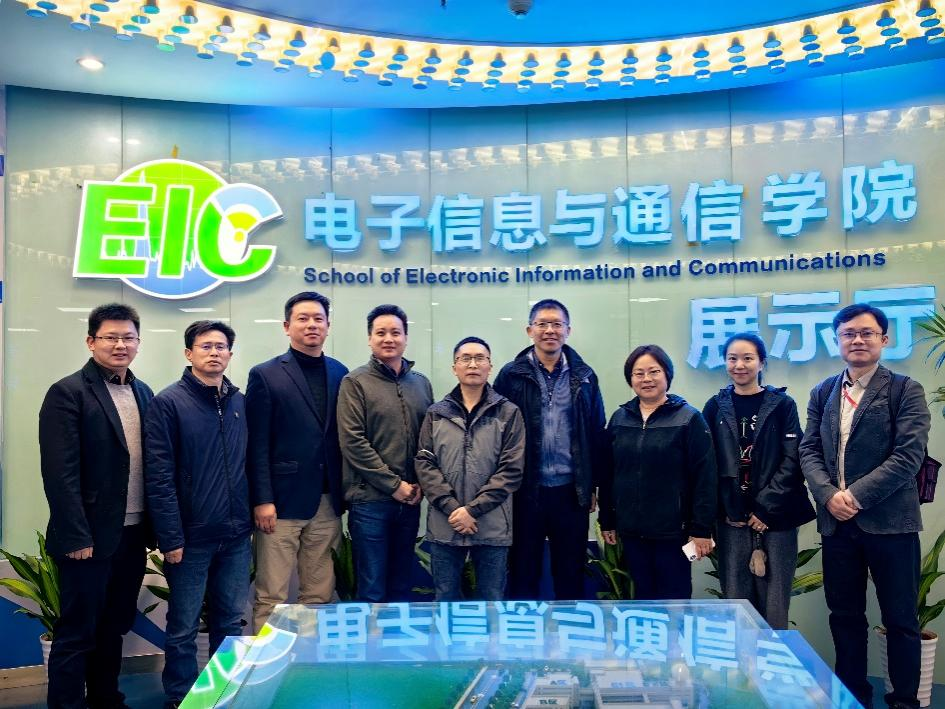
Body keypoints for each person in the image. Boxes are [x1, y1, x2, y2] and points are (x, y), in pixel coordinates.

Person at [800, 304, 929, 709]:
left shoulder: (905, 389)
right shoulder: (823, 391)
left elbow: (908, 457)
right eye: (848, 333)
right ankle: (853, 698)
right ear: (837, 340)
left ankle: (904, 702)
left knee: (901, 621)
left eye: (866, 333)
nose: (857, 340)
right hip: (837, 527)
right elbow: (808, 450)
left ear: (884, 339)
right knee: (845, 618)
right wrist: (827, 495)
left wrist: (853, 497)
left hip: (891, 525)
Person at [39, 303, 153, 709]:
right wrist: (75, 536)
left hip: (132, 534)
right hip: (87, 538)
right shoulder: (68, 392)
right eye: (110, 337)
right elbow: (60, 473)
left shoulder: (143, 391)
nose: (120, 345)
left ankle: (107, 700)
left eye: (128, 337)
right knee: (77, 632)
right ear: (91, 342)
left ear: (138, 342)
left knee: (113, 626)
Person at [144, 321, 252, 709]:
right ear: (189, 353)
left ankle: (223, 693)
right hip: (190, 538)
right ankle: (183, 696)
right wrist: (171, 537)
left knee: (230, 621)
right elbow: (159, 476)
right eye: (206, 346)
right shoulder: (168, 403)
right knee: (183, 626)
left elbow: (248, 463)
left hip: (236, 535)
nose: (214, 352)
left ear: (230, 354)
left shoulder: (239, 402)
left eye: (221, 346)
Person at [246, 292, 349, 631]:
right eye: (303, 319)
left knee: (319, 593)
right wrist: (262, 499)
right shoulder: (265, 374)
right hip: (280, 503)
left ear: (328, 326)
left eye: (318, 319)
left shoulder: (341, 373)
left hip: (327, 501)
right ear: (287, 326)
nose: (311, 325)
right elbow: (256, 443)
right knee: (271, 594)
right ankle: (266, 660)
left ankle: (308, 657)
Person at [493, 298, 606, 601]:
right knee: (523, 573)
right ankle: (523, 630)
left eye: (557, 324)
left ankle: (569, 630)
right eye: (542, 324)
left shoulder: (585, 376)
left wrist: (592, 485)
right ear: (529, 330)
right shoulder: (511, 375)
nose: (550, 330)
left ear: (568, 330)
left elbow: (596, 431)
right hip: (525, 491)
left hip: (571, 492)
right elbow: (496, 433)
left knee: (570, 574)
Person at [703, 332, 815, 629]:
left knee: (775, 604)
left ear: (762, 362)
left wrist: (765, 508)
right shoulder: (714, 406)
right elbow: (707, 463)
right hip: (732, 518)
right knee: (736, 601)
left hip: (777, 516)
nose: (739, 365)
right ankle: (743, 659)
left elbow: (793, 458)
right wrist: (730, 508)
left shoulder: (782, 404)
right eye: (732, 358)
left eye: (748, 358)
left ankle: (772, 656)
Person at [599, 345, 716, 600]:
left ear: (667, 375)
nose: (646, 379)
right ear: (630, 379)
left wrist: (701, 528)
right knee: (643, 599)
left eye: (654, 371)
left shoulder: (689, 419)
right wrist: (607, 519)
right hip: (631, 531)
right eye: (638, 373)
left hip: (673, 532)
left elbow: (705, 477)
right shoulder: (620, 418)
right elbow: (607, 474)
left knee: (675, 600)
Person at [416, 337, 525, 600]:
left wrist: (472, 510)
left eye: (480, 358)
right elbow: (424, 463)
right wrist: (453, 508)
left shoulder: (508, 412)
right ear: (454, 367)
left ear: (490, 366)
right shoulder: (436, 413)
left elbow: (511, 469)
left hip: (492, 524)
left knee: (491, 600)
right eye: (465, 359)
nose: (473, 364)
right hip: (445, 523)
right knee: (445, 599)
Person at [337, 304, 433, 602]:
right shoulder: (355, 382)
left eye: (395, 332)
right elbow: (353, 442)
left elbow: (429, 440)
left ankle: (397, 636)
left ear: (406, 338)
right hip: (370, 502)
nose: (388, 339)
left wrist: (419, 484)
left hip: (410, 500)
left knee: (401, 585)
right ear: (370, 339)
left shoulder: (421, 384)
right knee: (372, 589)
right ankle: (371, 637)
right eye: (381, 333)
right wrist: (394, 485)